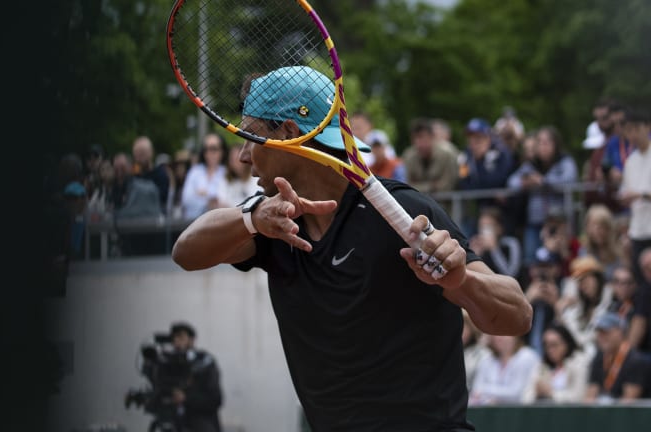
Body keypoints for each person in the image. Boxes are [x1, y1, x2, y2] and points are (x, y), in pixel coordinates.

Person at [172, 65, 532, 431]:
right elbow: (186, 251)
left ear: (289, 133)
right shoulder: (269, 221)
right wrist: (251, 217)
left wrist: (461, 281)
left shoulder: (405, 211)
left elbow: (518, 316)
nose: (244, 155)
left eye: (250, 136)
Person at [128, 322, 223, 432]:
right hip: (168, 418)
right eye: (174, 337)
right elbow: (156, 382)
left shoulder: (204, 363)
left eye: (181, 337)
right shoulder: (165, 360)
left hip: (198, 421)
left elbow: (215, 399)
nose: (177, 341)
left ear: (192, 340)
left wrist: (186, 398)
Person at [506, 126, 579, 265]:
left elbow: (570, 180)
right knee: (531, 260)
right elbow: (511, 183)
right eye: (539, 142)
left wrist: (543, 182)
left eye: (547, 142)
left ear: (555, 144)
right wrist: (525, 182)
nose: (543, 146)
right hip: (535, 221)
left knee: (561, 260)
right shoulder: (531, 165)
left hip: (559, 222)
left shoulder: (564, 162)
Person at [617, 108, 651, 285]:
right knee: (641, 282)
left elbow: (638, 194)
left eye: (636, 128)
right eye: (628, 130)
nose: (632, 134)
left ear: (647, 127)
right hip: (638, 230)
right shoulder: (630, 161)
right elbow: (626, 194)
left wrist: (641, 195)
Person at [584, 312, 648, 402]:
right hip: (607, 412)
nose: (601, 336)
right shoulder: (598, 359)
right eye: (599, 332)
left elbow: (628, 402)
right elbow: (590, 397)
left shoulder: (636, 360)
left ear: (620, 332)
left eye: (606, 332)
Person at [469, 334, 540, 405]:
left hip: (521, 412)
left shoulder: (526, 356)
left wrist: (484, 391)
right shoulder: (486, 359)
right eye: (496, 334)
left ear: (516, 336)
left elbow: (516, 394)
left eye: (504, 334)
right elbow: (476, 391)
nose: (499, 338)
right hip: (489, 412)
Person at [533, 323, 589, 402]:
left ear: (566, 343)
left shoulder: (579, 362)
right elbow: (527, 395)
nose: (550, 350)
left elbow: (579, 396)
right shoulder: (542, 366)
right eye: (546, 345)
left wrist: (550, 393)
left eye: (554, 345)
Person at [402, 117, 459, 194]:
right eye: (417, 138)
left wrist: (419, 187)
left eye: (424, 138)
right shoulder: (409, 156)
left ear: (433, 137)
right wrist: (432, 186)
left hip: (446, 204)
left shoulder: (447, 154)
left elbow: (447, 185)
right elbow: (406, 185)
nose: (420, 144)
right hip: (419, 203)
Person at [181, 133, 229, 220]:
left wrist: (202, 195)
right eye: (206, 149)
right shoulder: (195, 171)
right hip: (194, 223)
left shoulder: (227, 172)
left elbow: (230, 202)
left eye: (213, 149)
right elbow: (186, 199)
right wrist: (210, 201)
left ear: (222, 151)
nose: (209, 153)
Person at [468, 206, 521, 278]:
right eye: (482, 227)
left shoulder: (511, 243)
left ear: (499, 228)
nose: (484, 231)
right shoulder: (477, 244)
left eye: (488, 226)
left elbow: (511, 274)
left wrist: (495, 249)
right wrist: (474, 256)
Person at [133, 136, 171, 214]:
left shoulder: (161, 175)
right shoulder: (133, 175)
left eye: (142, 153)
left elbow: (161, 199)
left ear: (151, 152)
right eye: (137, 154)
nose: (139, 158)